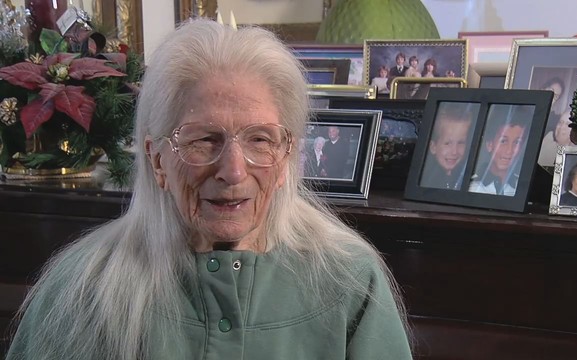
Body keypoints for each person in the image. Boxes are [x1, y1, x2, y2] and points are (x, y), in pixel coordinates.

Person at [6, 19, 412, 360]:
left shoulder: (350, 280)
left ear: (287, 156)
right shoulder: (80, 290)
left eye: (260, 140)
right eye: (203, 140)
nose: (234, 171)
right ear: (157, 159)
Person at [469, 106, 530, 196]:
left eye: (517, 142)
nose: (509, 151)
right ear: (490, 144)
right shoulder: (471, 186)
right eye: (503, 141)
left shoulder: (524, 188)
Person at [420, 104, 475, 190]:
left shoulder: (470, 179)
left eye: (460, 142)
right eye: (447, 143)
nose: (454, 151)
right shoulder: (426, 181)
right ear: (433, 147)